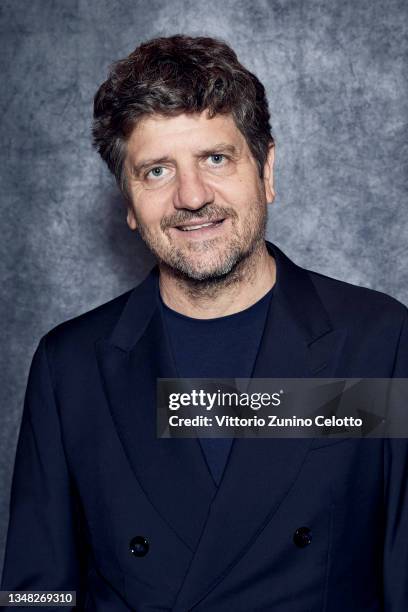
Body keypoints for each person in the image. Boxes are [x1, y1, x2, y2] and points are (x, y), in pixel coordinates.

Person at [1, 34, 407, 611]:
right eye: (156, 171)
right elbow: (35, 594)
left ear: (266, 168)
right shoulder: (71, 367)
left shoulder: (377, 341)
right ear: (128, 201)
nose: (191, 197)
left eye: (216, 159)